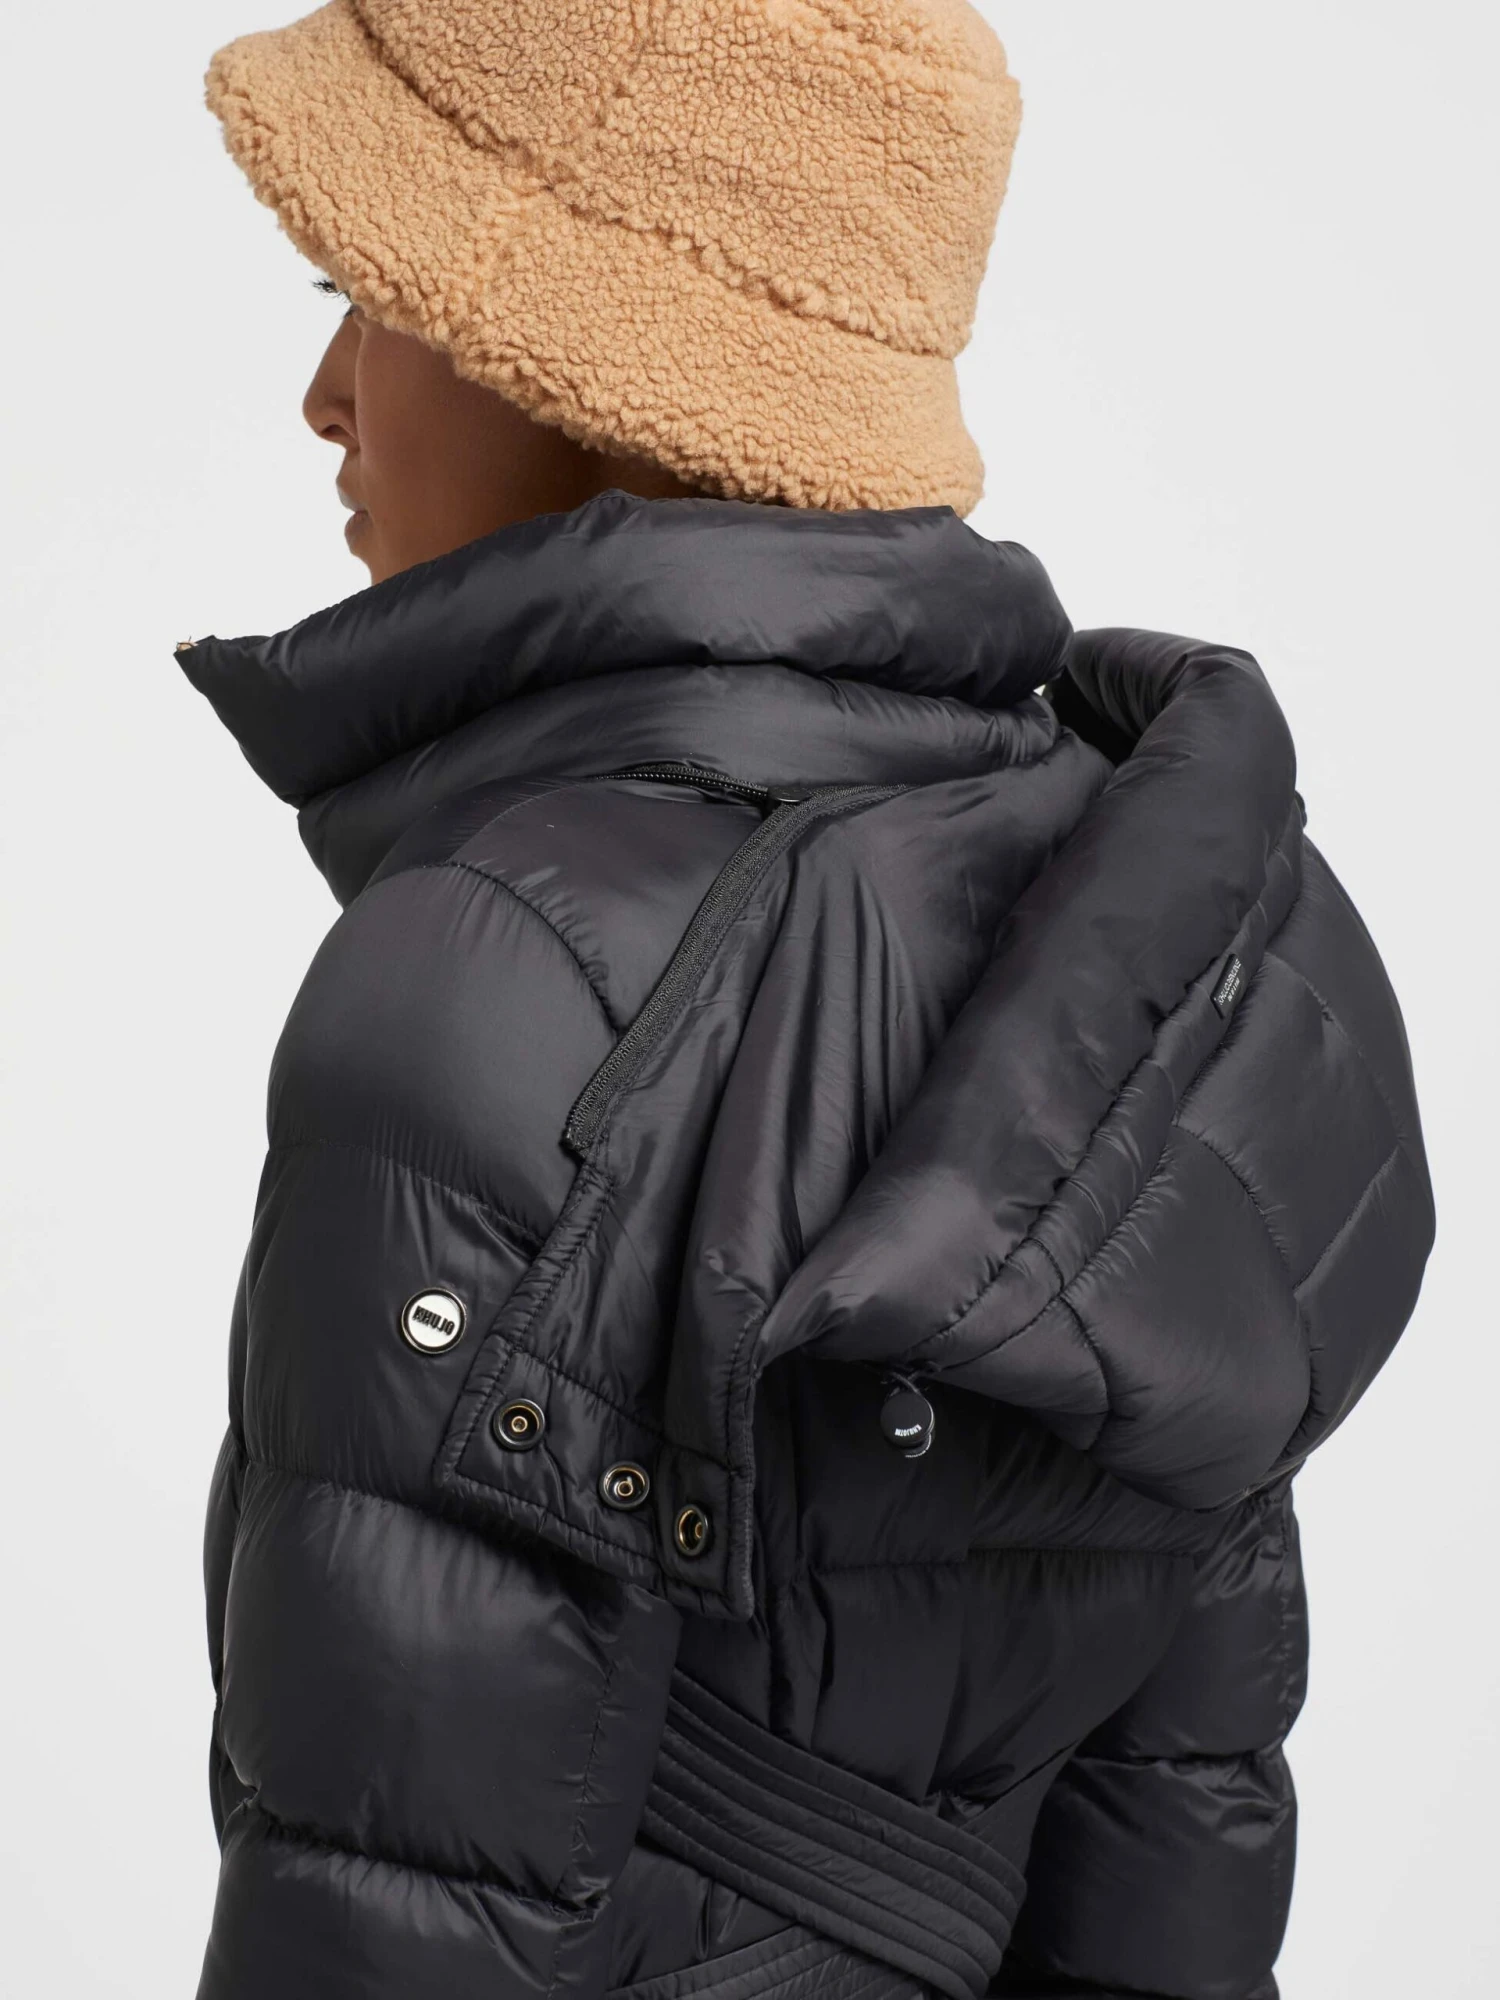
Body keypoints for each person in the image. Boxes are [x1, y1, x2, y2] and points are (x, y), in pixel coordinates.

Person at [175, 4, 1435, 1998]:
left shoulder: (494, 969)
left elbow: (393, 1897)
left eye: (367, 297)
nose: (325, 394)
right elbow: (1177, 1825)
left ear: (579, 354)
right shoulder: (1142, 917)